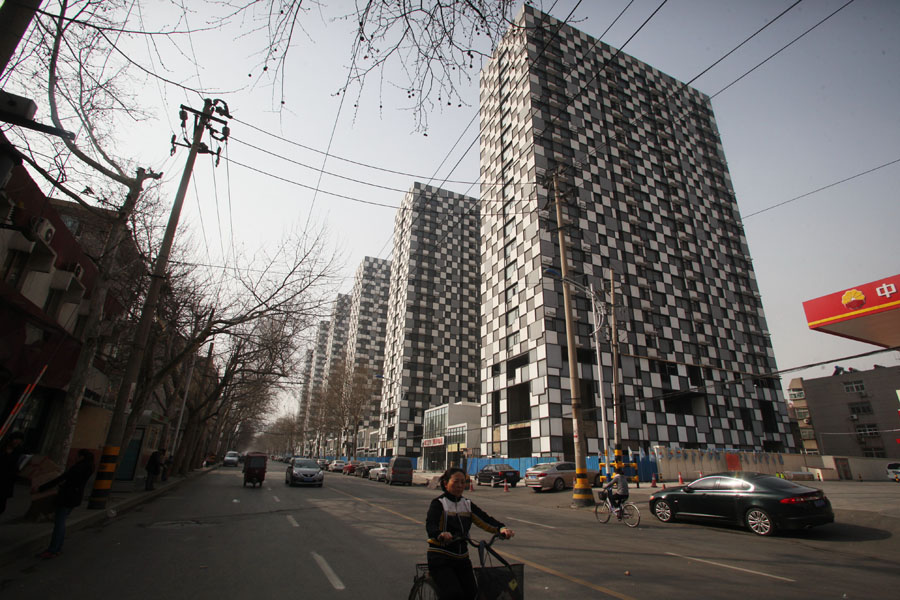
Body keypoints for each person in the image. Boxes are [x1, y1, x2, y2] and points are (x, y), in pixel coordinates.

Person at [426, 467, 515, 600]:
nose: (460, 486)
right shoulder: (439, 504)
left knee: (473, 594)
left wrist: (501, 529)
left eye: (463, 482)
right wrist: (440, 534)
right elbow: (430, 525)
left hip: (462, 558)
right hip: (440, 558)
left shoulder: (467, 504)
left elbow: (485, 519)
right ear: (445, 483)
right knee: (454, 594)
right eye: (456, 482)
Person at [36, 449, 95, 559]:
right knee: (61, 523)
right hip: (75, 497)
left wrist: (41, 488)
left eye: (77, 456)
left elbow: (61, 478)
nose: (75, 457)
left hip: (67, 497)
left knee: (59, 523)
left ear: (82, 457)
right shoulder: (89, 468)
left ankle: (53, 549)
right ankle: (57, 548)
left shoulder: (77, 468)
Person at [0, 432, 26, 514]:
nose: (17, 442)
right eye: (16, 439)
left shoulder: (19, 451)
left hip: (7, 480)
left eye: (19, 441)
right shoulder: (2, 447)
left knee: (2, 505)